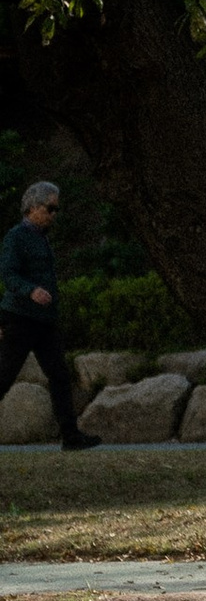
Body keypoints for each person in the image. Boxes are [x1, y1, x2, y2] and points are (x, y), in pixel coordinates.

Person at [0, 180, 91, 451]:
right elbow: (8, 274)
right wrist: (31, 291)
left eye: (56, 210)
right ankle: (71, 434)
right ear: (33, 207)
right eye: (50, 209)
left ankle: (71, 435)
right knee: (4, 377)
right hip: (19, 318)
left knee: (60, 375)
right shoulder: (16, 237)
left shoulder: (41, 238)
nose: (54, 215)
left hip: (44, 321)